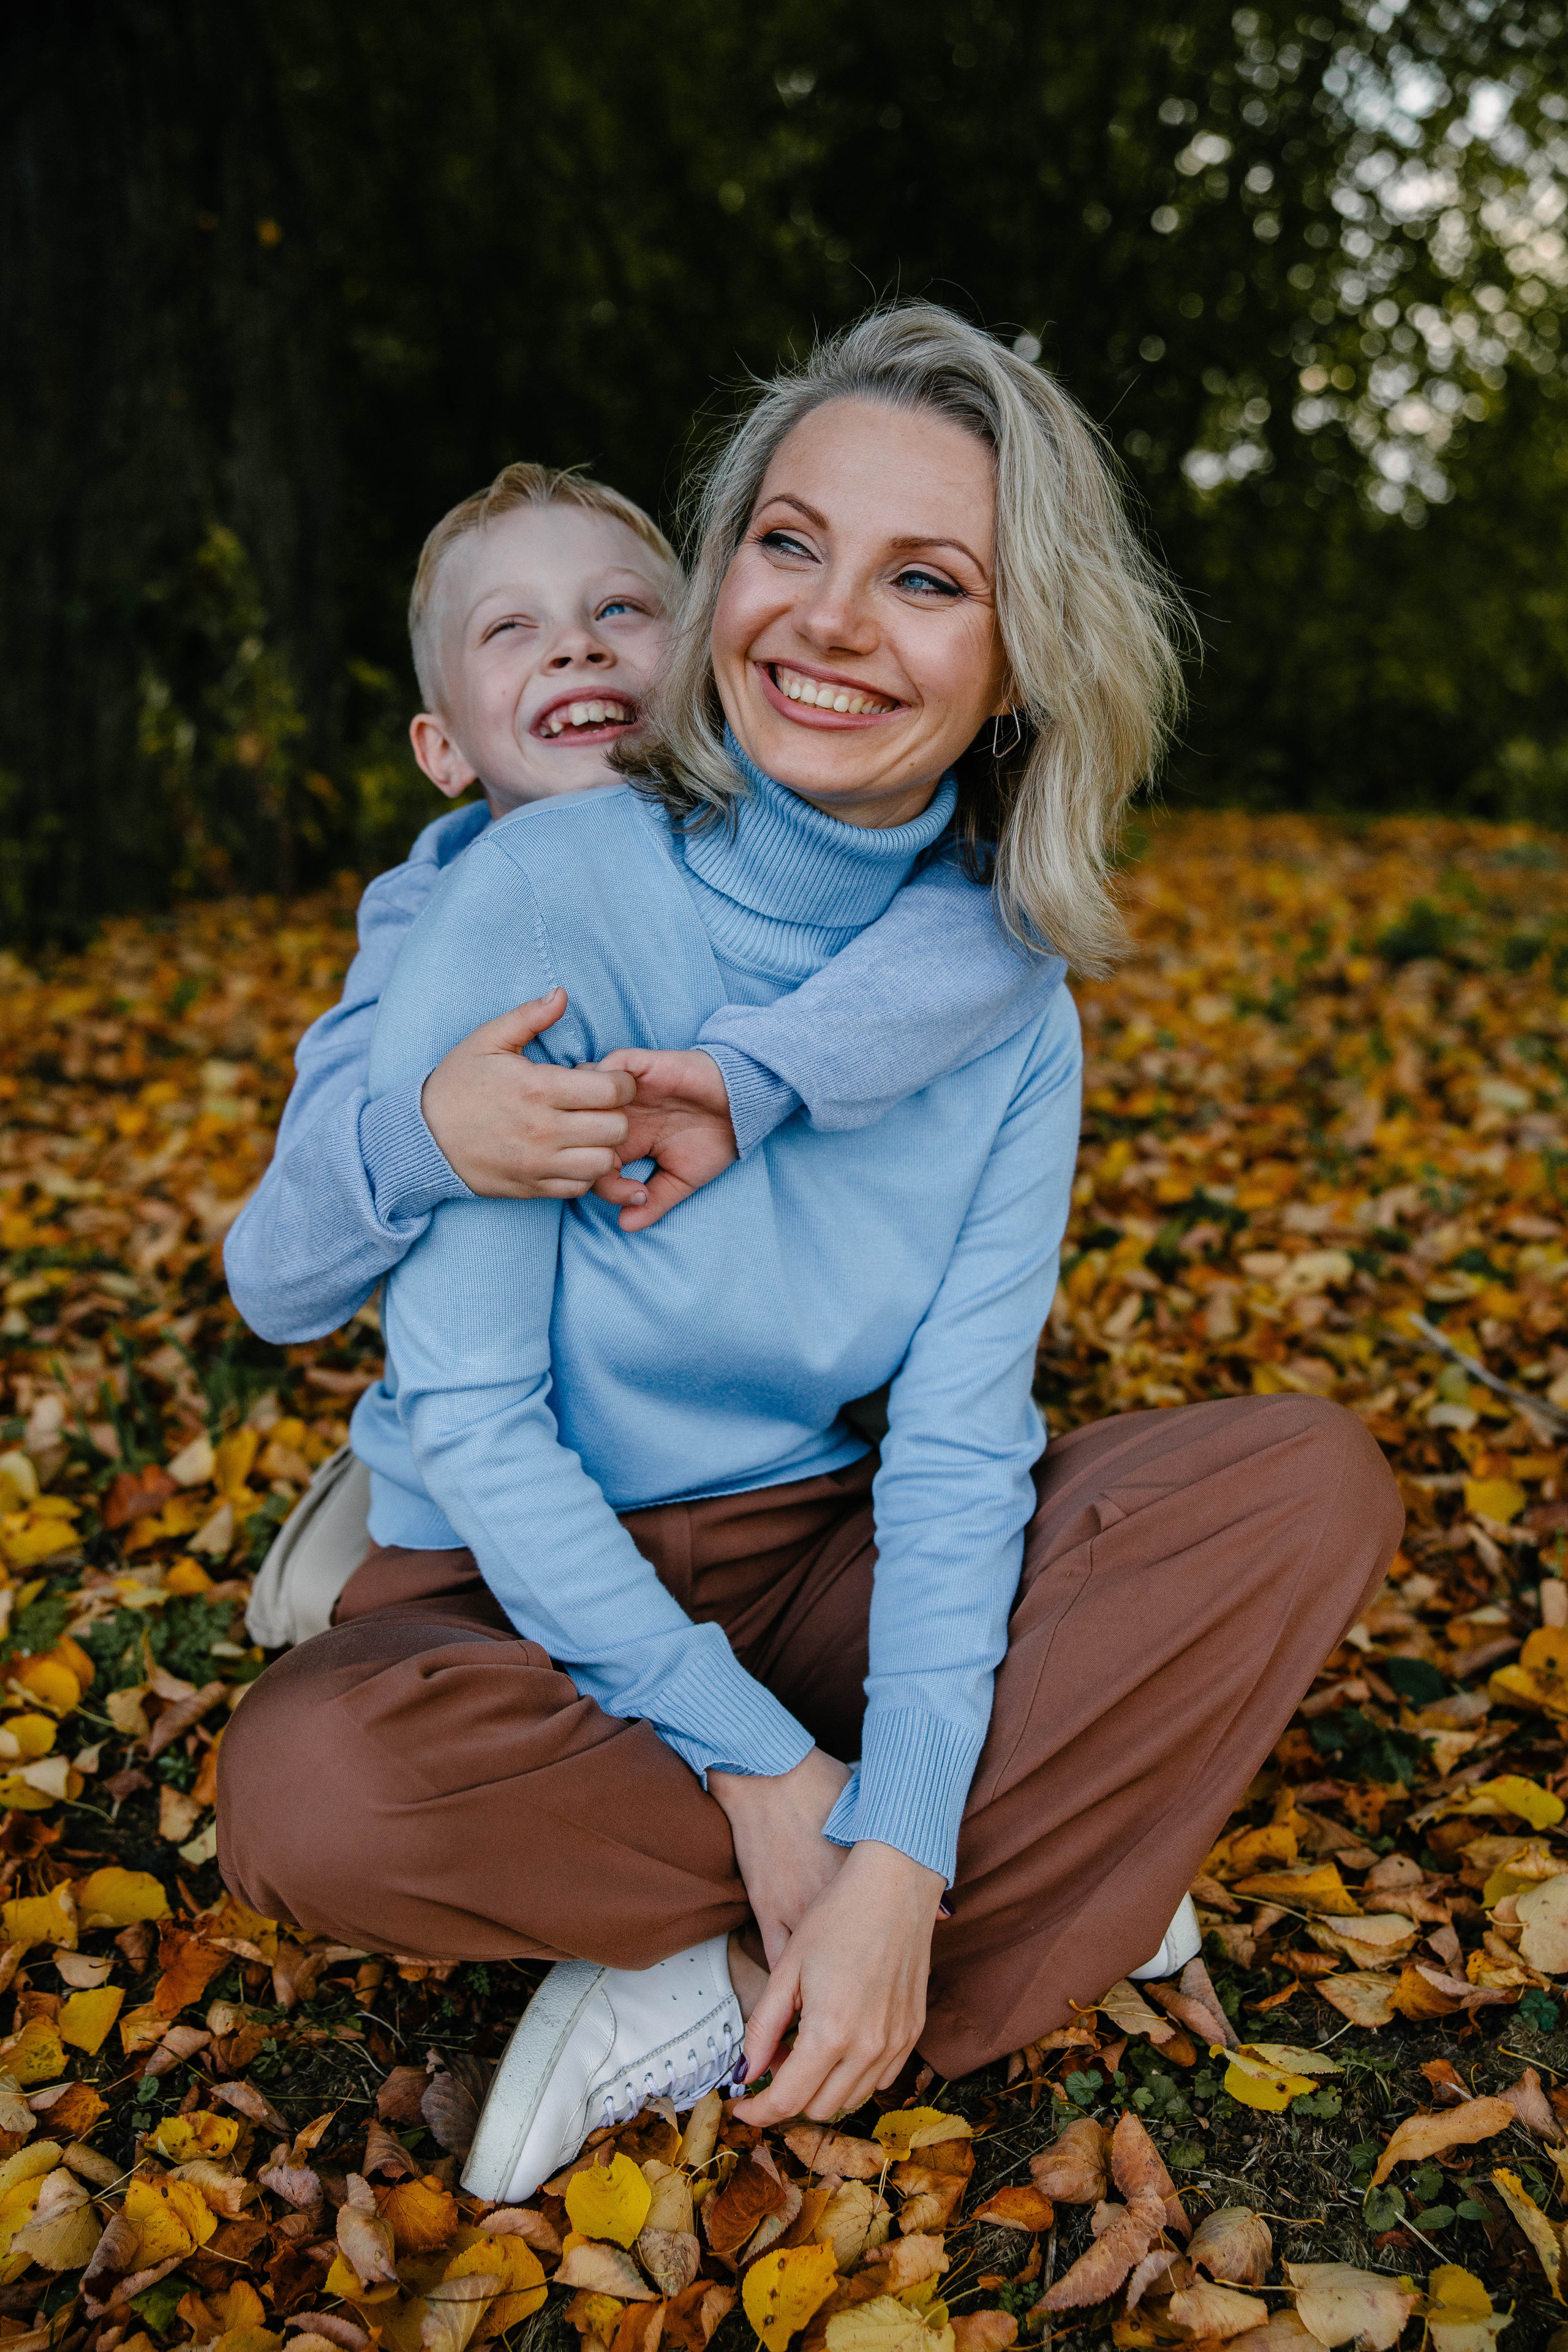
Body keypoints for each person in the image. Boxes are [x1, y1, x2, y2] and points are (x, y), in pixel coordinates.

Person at [218, 304, 1401, 2209]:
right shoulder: (536, 891)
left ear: (1020, 662)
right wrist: (772, 1779)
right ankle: (996, 1876)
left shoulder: (999, 996)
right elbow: (474, 1413)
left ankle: (756, 1959)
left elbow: (956, 1452)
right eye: (792, 543)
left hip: (811, 1546)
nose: (832, 622)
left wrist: (900, 1851)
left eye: (927, 580)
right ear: (726, 579)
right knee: (311, 1789)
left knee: (1304, 1485)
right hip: (515, 1596)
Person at [225, 459, 1061, 1638]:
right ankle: (368, 1506)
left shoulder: (801, 859)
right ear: (443, 749)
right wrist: (427, 1141)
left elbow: (1001, 936)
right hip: (490, 1464)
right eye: (511, 628)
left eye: (621, 609)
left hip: (774, 1453)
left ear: (706, 658)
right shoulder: (423, 932)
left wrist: (753, 1075)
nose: (577, 646)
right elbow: (274, 1276)